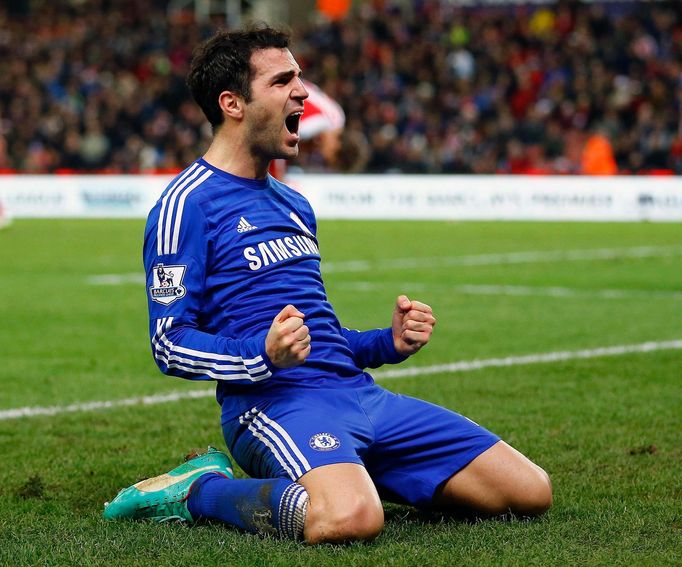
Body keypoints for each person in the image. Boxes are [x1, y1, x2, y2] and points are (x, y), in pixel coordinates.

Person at [103, 25, 552, 543]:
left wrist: (387, 342)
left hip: (357, 395)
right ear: (233, 103)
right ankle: (196, 489)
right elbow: (169, 344)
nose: (303, 93)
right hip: (271, 404)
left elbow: (320, 334)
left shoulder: (295, 205)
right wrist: (261, 356)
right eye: (283, 81)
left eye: (301, 78)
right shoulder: (185, 206)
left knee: (528, 491)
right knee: (351, 519)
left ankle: (345, 472)